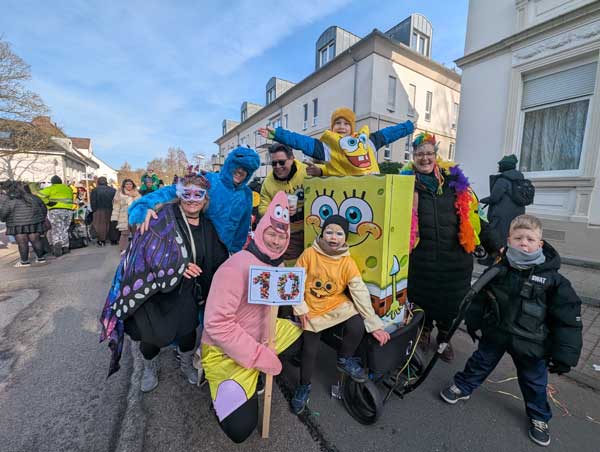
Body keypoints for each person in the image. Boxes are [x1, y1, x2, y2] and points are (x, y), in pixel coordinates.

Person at [440, 214, 582, 448]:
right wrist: (474, 322)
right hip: (497, 333)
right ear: (509, 241)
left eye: (530, 239)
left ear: (540, 244)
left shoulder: (553, 280)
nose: (524, 243)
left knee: (534, 381)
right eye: (518, 238)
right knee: (480, 362)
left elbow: (568, 319)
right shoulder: (499, 268)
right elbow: (480, 298)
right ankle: (463, 386)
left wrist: (565, 354)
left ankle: (539, 417)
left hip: (531, 343)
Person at [99, 173, 229, 391]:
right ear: (179, 195)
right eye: (187, 193)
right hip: (156, 293)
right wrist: (178, 265)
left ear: (205, 198)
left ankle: (186, 363)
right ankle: (150, 367)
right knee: (151, 337)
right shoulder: (162, 218)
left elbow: (218, 259)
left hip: (187, 292)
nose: (192, 199)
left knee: (188, 333)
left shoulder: (208, 226)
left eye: (198, 194)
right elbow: (145, 250)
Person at [201, 191, 302, 443]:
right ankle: (217, 388)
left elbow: (284, 298)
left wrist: (303, 310)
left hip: (264, 331)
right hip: (224, 349)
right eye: (271, 234)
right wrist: (259, 357)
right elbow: (217, 325)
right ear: (259, 231)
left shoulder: (278, 266)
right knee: (240, 430)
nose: (276, 242)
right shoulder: (235, 267)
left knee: (306, 333)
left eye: (282, 236)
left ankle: (256, 375)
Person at [400, 133, 501, 362]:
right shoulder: (405, 184)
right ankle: (424, 331)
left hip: (455, 261)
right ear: (413, 157)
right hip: (421, 261)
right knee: (421, 300)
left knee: (452, 305)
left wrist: (496, 246)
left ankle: (444, 338)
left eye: (429, 153)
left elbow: (476, 217)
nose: (424, 158)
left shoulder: (456, 182)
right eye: (419, 154)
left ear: (436, 155)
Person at [291, 215, 390, 414]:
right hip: (311, 306)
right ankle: (304, 386)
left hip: (335, 303)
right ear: (322, 234)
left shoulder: (347, 262)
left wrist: (374, 324)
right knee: (310, 350)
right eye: (329, 232)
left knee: (357, 323)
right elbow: (294, 281)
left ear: (345, 238)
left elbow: (359, 291)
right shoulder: (309, 254)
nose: (333, 237)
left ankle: (344, 359)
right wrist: (300, 308)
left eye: (339, 234)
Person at [129, 147, 261, 253]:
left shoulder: (246, 194)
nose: (241, 171)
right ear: (229, 165)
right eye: (238, 166)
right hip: (196, 248)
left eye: (246, 169)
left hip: (224, 254)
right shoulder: (209, 180)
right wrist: (145, 205)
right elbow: (173, 190)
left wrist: (235, 253)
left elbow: (242, 227)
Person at [258, 107, 414, 176]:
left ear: (352, 128)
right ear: (332, 128)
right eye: (337, 123)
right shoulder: (328, 147)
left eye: (346, 124)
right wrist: (279, 134)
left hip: (371, 188)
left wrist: (407, 127)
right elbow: (302, 142)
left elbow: (387, 135)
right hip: (346, 192)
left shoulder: (366, 141)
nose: (342, 127)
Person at [259, 143, 315, 261]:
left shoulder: (306, 171)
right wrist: (280, 210)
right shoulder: (268, 182)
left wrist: (320, 171)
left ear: (292, 158)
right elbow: (262, 208)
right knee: (291, 266)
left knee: (314, 265)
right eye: (274, 163)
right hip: (289, 234)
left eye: (282, 162)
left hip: (312, 229)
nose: (278, 166)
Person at [479, 154, 526, 266]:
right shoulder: (520, 180)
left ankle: (493, 259)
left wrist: (482, 200)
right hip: (517, 213)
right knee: (511, 236)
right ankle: (509, 258)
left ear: (505, 166)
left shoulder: (503, 180)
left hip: (501, 215)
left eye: (500, 165)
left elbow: (495, 197)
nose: (498, 167)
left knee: (496, 237)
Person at [0, 180, 48, 267]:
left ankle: (25, 261)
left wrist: (3, 219)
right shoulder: (32, 197)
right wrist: (41, 218)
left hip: (17, 224)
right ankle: (41, 258)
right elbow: (43, 208)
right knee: (36, 240)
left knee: (22, 242)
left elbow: (4, 213)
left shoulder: (9, 199)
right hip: (34, 222)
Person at [38, 175, 76, 257]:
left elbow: (39, 195)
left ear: (52, 182)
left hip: (56, 211)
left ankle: (57, 244)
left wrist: (47, 202)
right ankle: (65, 247)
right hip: (68, 210)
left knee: (56, 229)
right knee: (65, 229)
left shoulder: (52, 188)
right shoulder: (68, 188)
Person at [111, 179, 141, 253]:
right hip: (124, 216)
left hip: (134, 216)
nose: (129, 185)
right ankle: (123, 249)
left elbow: (141, 205)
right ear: (124, 185)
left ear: (133, 185)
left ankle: (137, 248)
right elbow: (116, 206)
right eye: (127, 184)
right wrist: (114, 218)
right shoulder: (119, 194)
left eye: (130, 184)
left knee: (136, 232)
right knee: (124, 233)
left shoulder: (137, 194)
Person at [90, 176, 116, 247]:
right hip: (111, 209)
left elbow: (93, 201)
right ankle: (113, 240)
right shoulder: (113, 190)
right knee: (111, 224)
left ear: (98, 182)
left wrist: (94, 210)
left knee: (100, 225)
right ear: (106, 181)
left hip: (99, 209)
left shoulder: (95, 190)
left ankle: (102, 240)